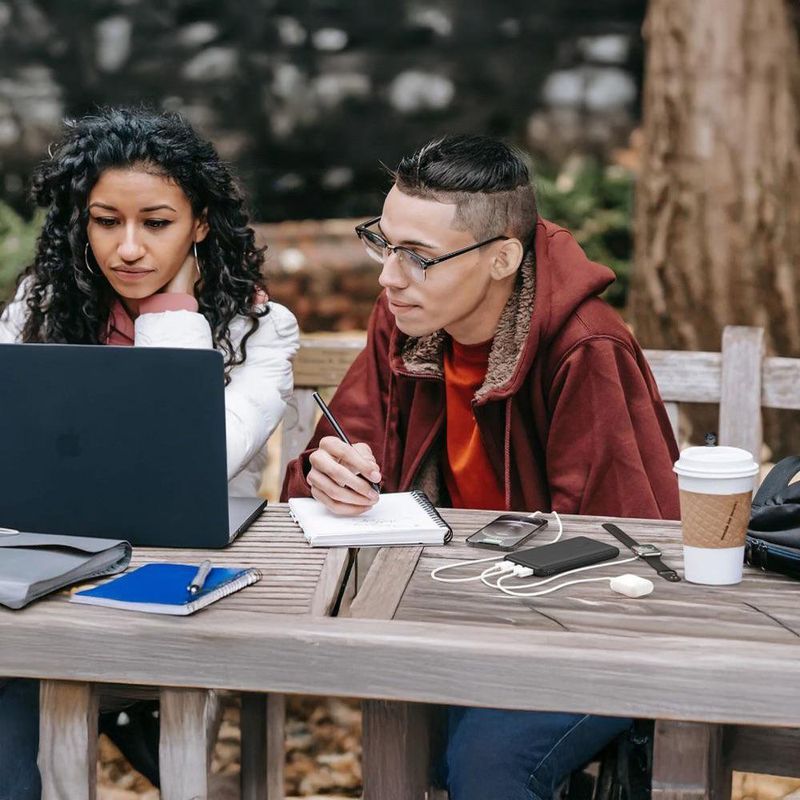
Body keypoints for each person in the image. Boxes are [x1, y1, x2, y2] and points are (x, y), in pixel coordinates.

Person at [282, 134, 680, 800]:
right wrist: (329, 475)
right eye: (383, 243)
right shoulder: (405, 321)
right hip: (452, 617)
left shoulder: (585, 347)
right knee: (406, 725)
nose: (388, 277)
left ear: (502, 258)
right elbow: (322, 469)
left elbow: (622, 544)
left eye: (418, 256)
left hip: (584, 635)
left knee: (485, 765)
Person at [0, 107, 299, 800]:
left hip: (178, 581)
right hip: (43, 569)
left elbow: (190, 464)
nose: (128, 248)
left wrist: (171, 315)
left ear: (200, 224)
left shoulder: (259, 329)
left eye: (156, 223)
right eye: (106, 221)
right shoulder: (40, 308)